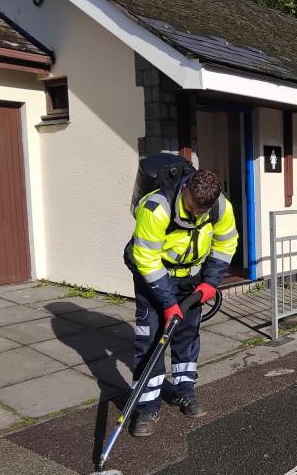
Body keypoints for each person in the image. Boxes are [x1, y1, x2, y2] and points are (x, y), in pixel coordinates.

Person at [124, 169, 238, 437]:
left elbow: (226, 242)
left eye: (202, 212)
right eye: (192, 209)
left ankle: (185, 391)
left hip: (192, 279)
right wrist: (166, 301)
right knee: (152, 341)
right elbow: (146, 259)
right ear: (185, 188)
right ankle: (146, 406)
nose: (196, 216)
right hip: (155, 277)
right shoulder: (156, 208)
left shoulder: (221, 206)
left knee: (186, 338)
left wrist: (210, 282)